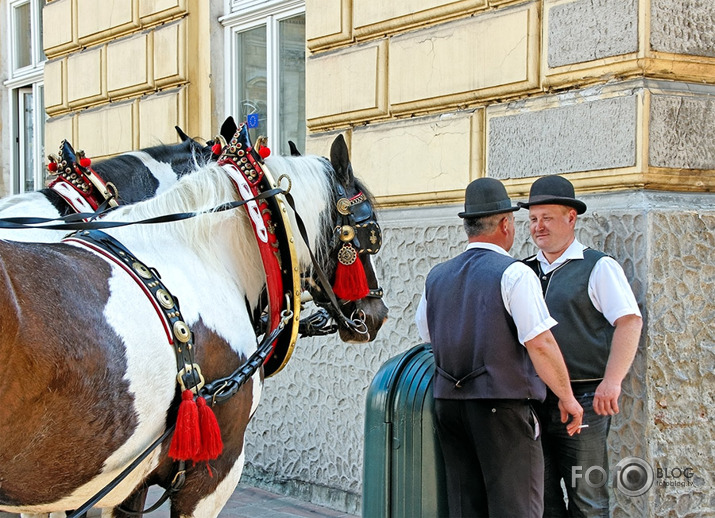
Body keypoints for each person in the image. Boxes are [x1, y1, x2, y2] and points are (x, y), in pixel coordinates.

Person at [414, 177, 583, 518]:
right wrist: (567, 397)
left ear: (468, 226)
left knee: (466, 507)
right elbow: (541, 343)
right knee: (516, 508)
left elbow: (429, 334)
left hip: (449, 406)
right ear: (505, 224)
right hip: (502, 410)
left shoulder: (437, 276)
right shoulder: (515, 273)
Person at [518, 175, 643, 517]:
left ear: (571, 218)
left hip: (585, 402)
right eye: (532, 219)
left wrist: (612, 381)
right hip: (532, 403)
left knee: (588, 500)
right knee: (540, 500)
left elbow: (629, 321)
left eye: (546, 217)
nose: (538, 226)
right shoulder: (521, 271)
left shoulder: (598, 267)